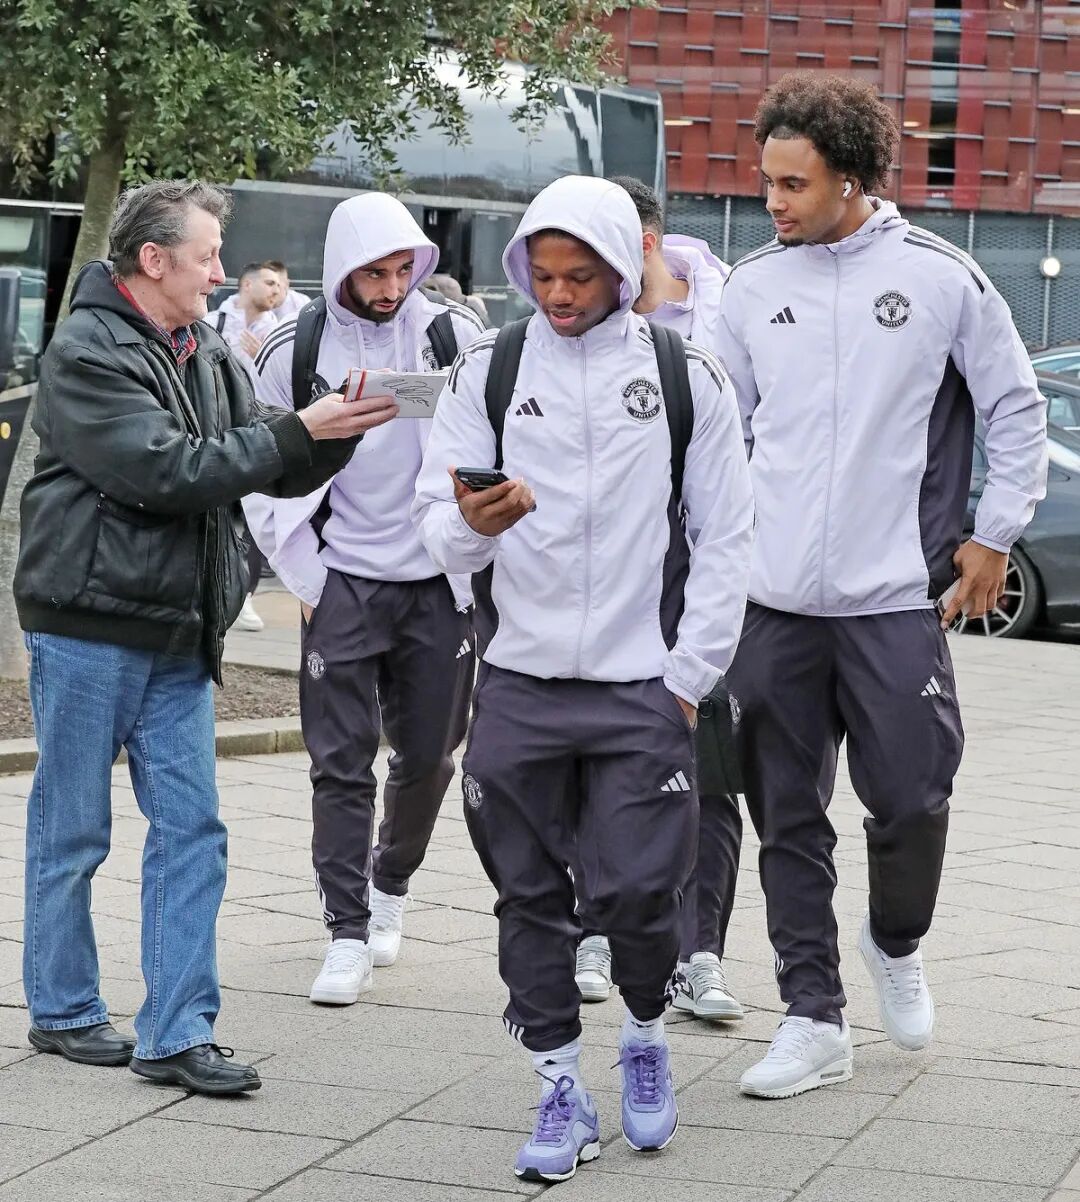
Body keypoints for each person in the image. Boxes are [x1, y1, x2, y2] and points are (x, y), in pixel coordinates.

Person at [13, 179, 395, 1095]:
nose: (223, 271)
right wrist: (297, 434)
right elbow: (166, 471)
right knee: (74, 829)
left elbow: (259, 451)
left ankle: (177, 1033)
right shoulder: (87, 348)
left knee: (194, 831)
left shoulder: (205, 346)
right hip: (89, 625)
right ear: (154, 260)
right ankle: (62, 1010)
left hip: (180, 630)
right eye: (208, 256)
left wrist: (333, 431)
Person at [413, 175, 754, 1183]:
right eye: (544, 275)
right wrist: (470, 526)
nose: (558, 294)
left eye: (580, 276)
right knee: (527, 894)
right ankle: (559, 1083)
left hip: (642, 687)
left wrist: (686, 678)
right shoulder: (490, 368)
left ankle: (644, 1032)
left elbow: (726, 538)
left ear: (620, 268)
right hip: (518, 684)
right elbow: (438, 527)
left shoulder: (686, 374)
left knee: (642, 890)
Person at [716, 72, 1048, 1099]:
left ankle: (895, 939)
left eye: (795, 184)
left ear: (851, 180)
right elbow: (714, 437)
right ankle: (812, 1015)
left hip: (894, 599)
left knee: (912, 796)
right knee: (786, 814)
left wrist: (994, 534)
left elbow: (1016, 406)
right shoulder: (749, 288)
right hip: (772, 604)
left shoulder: (943, 279)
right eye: (768, 180)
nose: (773, 201)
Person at [244, 192, 487, 1006]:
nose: (389, 288)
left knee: (429, 758)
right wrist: (309, 577)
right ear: (342, 269)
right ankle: (345, 931)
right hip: (342, 579)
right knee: (339, 764)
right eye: (372, 273)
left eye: (401, 271)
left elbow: (494, 438)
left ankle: (390, 886)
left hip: (437, 581)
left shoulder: (454, 334)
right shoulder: (296, 345)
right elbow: (261, 466)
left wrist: (471, 559)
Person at [574, 174, 743, 1025]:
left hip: (705, 569)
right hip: (603, 574)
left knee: (708, 768)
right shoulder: (567, 325)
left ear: (643, 243)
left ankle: (699, 953)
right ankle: (595, 928)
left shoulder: (734, 310)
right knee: (594, 758)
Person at [209, 261, 288, 632]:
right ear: (246, 284)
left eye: (280, 285)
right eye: (269, 283)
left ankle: (245, 595)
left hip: (258, 433)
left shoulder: (281, 333)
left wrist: (262, 360)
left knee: (256, 521)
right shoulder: (212, 322)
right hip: (213, 433)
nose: (277, 290)